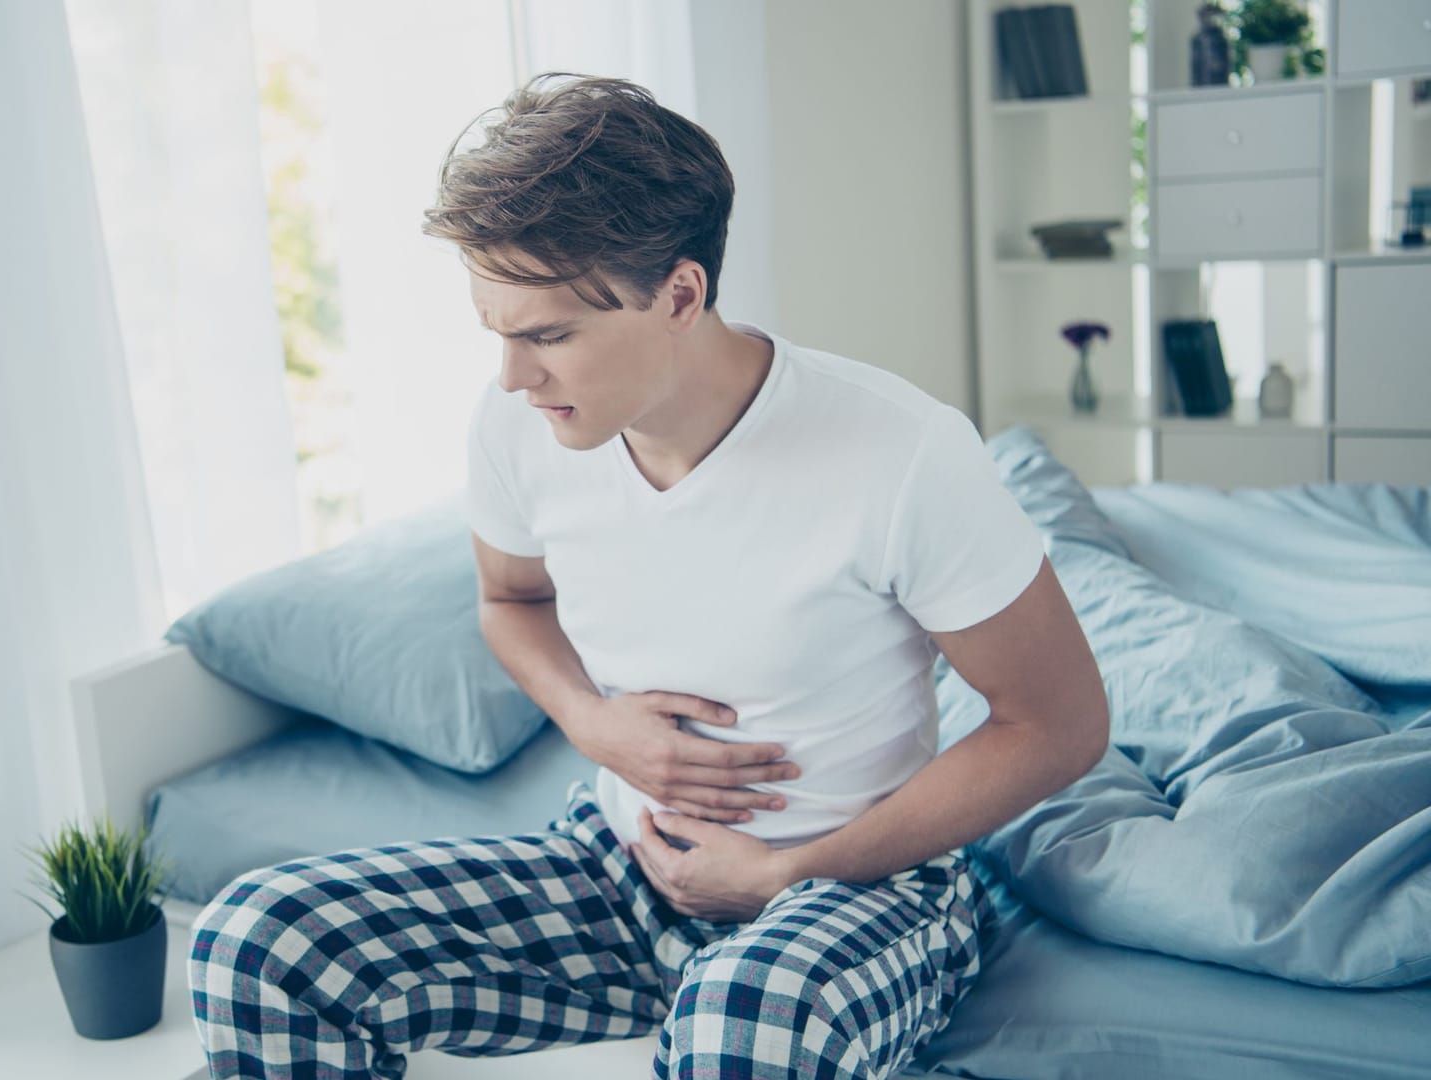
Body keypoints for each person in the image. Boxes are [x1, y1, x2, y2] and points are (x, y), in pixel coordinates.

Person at [190, 72, 1109, 1080]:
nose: (513, 378)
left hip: (856, 885)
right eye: (498, 333)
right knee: (261, 937)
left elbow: (1057, 724)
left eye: (548, 337)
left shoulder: (902, 451)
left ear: (680, 295)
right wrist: (594, 725)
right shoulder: (516, 426)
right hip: (621, 865)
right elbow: (510, 600)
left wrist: (786, 871)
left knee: (742, 1023)